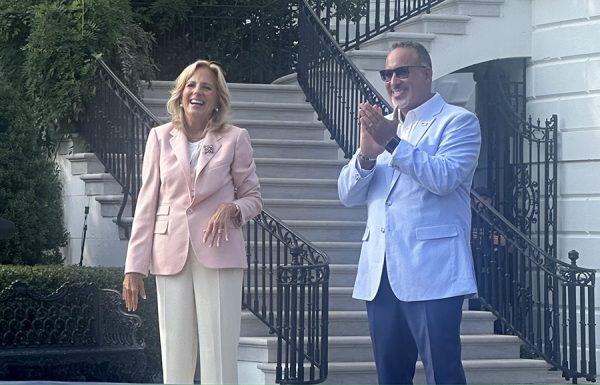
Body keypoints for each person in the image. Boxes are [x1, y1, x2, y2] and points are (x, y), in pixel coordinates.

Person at [337, 41, 481, 384]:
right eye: (388, 73)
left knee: (443, 373)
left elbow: (444, 178)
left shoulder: (458, 122)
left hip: (433, 272)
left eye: (403, 71)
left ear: (427, 73)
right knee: (390, 376)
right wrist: (366, 156)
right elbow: (347, 194)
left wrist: (392, 143)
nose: (393, 80)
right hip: (381, 273)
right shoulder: (382, 125)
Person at [122, 60, 262, 384]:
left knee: (220, 356)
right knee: (175, 356)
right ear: (181, 93)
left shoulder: (235, 138)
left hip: (220, 252)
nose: (197, 91)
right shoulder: (159, 137)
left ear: (217, 100)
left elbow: (253, 197)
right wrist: (134, 267)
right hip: (170, 251)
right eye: (191, 85)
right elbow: (146, 204)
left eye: (206, 87)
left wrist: (232, 208)